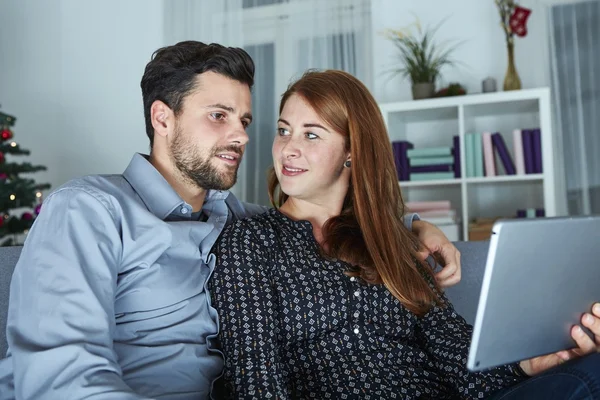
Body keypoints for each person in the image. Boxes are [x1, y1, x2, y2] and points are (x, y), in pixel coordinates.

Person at [0, 42, 460, 400]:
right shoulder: (88, 210)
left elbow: (325, 216)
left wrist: (414, 227)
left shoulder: (234, 218)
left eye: (244, 119)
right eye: (218, 116)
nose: (240, 135)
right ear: (163, 118)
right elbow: (62, 375)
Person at [209, 69, 600, 399]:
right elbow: (256, 382)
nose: (288, 149)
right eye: (283, 130)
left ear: (352, 151)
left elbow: (459, 360)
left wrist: (533, 363)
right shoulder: (251, 240)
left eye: (311, 134)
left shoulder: (391, 239)